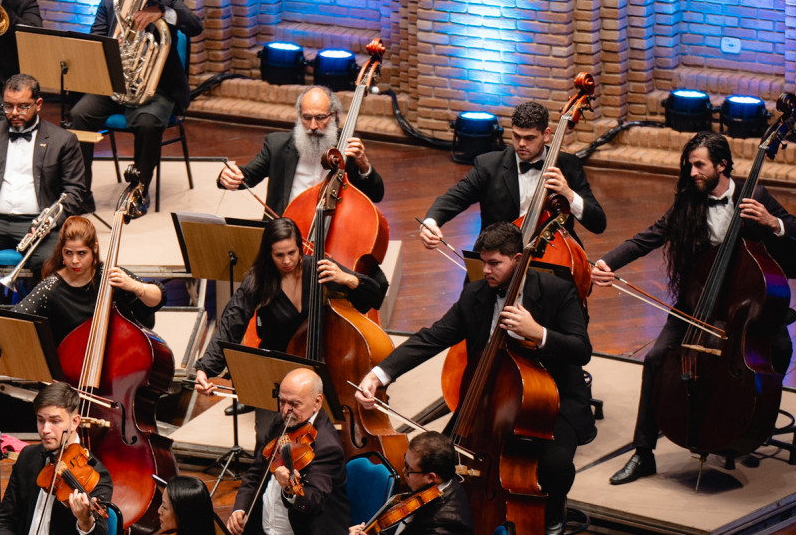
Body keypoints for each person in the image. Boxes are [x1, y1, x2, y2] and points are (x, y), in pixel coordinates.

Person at [592, 131, 796, 485]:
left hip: (747, 309)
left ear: (722, 165)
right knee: (655, 358)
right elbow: (648, 237)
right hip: (697, 307)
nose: (692, 172)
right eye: (689, 165)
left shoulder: (753, 196)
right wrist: (606, 263)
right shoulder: (688, 201)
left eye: (699, 165)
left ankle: (750, 423)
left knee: (780, 350)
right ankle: (643, 452)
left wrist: (773, 223)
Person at [356, 222, 596, 535]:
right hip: (488, 402)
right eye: (482, 262)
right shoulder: (476, 294)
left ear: (518, 259)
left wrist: (538, 333)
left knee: (554, 468)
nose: (485, 270)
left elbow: (582, 350)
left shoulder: (556, 291)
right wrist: (380, 374)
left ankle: (552, 515)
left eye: (494, 263)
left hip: (550, 403)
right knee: (438, 460)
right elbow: (433, 337)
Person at [193, 217, 384, 437]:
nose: (287, 261)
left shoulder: (318, 268)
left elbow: (374, 295)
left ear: (300, 248)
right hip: (276, 368)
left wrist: (349, 279)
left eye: (292, 253)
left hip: (322, 366)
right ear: (269, 254)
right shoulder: (259, 280)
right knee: (268, 438)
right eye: (279, 255)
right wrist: (205, 369)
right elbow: (231, 323)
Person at [69, 0, 203, 214]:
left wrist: (163, 12)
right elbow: (95, 38)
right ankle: (81, 193)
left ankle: (138, 191)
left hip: (157, 87)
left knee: (148, 124)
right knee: (79, 115)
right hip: (115, 84)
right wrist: (110, 45)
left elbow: (195, 26)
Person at [419, 101, 605, 251]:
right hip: (499, 256)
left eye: (530, 138)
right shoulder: (488, 165)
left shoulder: (568, 166)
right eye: (516, 136)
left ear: (546, 135)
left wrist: (569, 195)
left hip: (552, 254)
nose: (521, 144)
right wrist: (430, 222)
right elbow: (455, 197)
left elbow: (598, 223)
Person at [0, 73, 86, 271]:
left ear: (38, 103)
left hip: (38, 225)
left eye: (23, 106)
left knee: (48, 261)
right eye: (8, 106)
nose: (14, 112)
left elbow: (75, 191)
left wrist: (49, 221)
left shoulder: (63, 140)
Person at [217, 85, 384, 217]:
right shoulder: (277, 146)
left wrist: (364, 165)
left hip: (333, 230)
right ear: (299, 115)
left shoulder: (348, 147)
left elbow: (376, 195)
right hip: (287, 234)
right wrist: (227, 176)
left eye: (320, 118)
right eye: (307, 118)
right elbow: (247, 176)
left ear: (333, 116)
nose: (313, 126)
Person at [226, 368, 352, 535]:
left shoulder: (327, 446)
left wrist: (289, 489)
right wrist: (240, 509)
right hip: (263, 526)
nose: (285, 410)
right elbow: (256, 472)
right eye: (282, 401)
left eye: (294, 404)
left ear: (317, 402)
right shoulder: (280, 421)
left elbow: (313, 501)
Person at [14, 215, 166, 346]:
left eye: (81, 253)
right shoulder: (51, 287)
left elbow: (158, 298)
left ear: (94, 248)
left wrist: (134, 286)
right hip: (69, 369)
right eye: (68, 253)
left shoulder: (109, 276)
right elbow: (16, 318)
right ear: (61, 252)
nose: (74, 260)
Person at [0, 381, 113, 535]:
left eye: (55, 421)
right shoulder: (27, 457)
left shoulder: (96, 475)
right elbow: (4, 521)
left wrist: (85, 522)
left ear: (75, 422)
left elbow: (100, 533)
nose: (45, 430)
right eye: (41, 420)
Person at [349, 431, 473, 535]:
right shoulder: (432, 488)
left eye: (409, 469)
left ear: (430, 477)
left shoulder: (445, 526)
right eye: (405, 461)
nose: (403, 471)